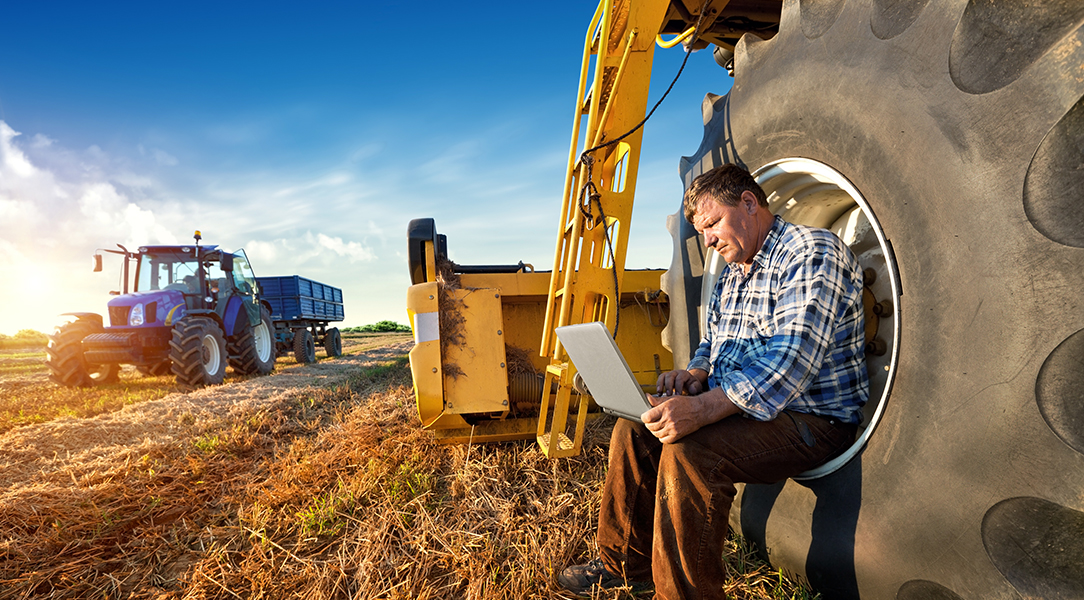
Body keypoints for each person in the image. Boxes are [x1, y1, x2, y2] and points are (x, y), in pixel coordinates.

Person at [557, 164, 869, 599]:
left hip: (811, 419)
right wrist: (695, 375)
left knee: (689, 450)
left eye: (712, 224)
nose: (708, 239)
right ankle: (624, 564)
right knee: (635, 428)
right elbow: (716, 340)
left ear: (748, 203)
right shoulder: (734, 270)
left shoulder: (811, 252)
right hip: (753, 411)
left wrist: (702, 409)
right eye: (701, 231)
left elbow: (790, 363)